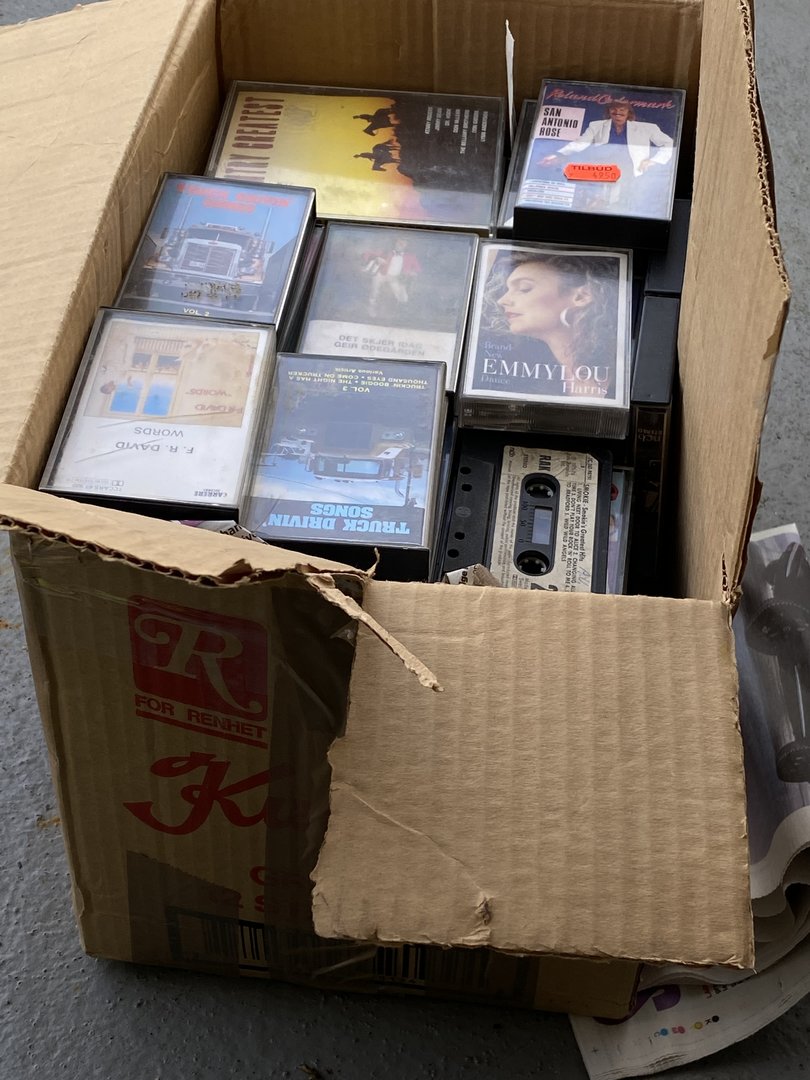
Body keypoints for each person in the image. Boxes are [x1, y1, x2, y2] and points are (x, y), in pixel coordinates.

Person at [479, 251, 619, 397]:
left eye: (524, 288)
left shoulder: (622, 367)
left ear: (581, 297)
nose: (502, 300)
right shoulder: (521, 375)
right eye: (508, 290)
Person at [540, 100, 673, 215]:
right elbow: (581, 142)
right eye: (614, 109)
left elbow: (668, 143)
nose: (617, 113)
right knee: (592, 201)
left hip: (630, 170)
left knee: (622, 203)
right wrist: (558, 154)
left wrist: (653, 161)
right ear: (609, 111)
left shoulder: (647, 128)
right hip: (602, 168)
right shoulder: (596, 125)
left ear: (629, 112)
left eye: (622, 110)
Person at [361, 237, 421, 317]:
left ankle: (401, 313)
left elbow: (417, 269)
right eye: (399, 242)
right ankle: (371, 307)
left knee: (403, 297)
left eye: (403, 243)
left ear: (407, 245)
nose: (401, 244)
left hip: (396, 278)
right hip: (382, 274)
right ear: (395, 243)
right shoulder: (386, 252)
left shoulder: (411, 257)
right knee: (375, 288)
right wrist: (376, 258)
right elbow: (366, 254)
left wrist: (411, 272)